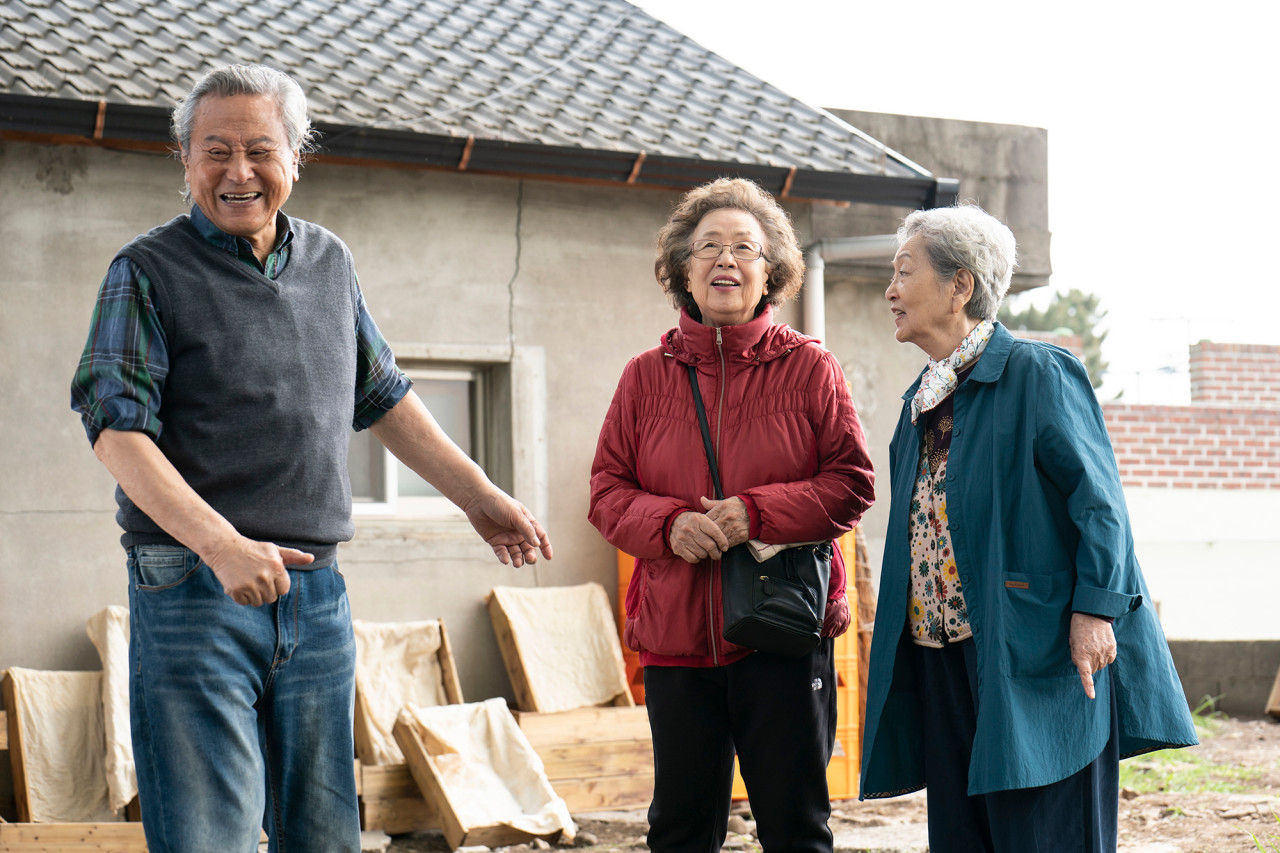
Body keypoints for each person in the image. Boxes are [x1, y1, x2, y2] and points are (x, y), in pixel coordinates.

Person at [69, 64, 552, 853]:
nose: (238, 171)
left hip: (316, 588)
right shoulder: (145, 271)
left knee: (323, 834)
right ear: (184, 161)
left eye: (260, 149)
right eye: (214, 150)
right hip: (194, 580)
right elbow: (116, 431)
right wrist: (221, 543)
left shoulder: (330, 260)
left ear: (296, 157)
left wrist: (478, 496)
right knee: (209, 834)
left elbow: (383, 396)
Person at [859, 203, 1197, 852]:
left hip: (1033, 652)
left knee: (1045, 832)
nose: (891, 290)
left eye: (905, 272)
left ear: (961, 285)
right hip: (945, 656)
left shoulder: (1037, 372)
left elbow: (1101, 506)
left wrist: (1096, 611)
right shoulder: (922, 400)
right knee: (964, 836)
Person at [588, 177, 875, 853]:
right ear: (683, 268)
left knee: (797, 828)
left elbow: (852, 484)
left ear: (770, 268)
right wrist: (667, 525)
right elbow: (606, 491)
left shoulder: (812, 369)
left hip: (782, 632)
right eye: (708, 245)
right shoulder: (643, 376)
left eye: (744, 247)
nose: (726, 260)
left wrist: (755, 513)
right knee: (680, 831)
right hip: (677, 643)